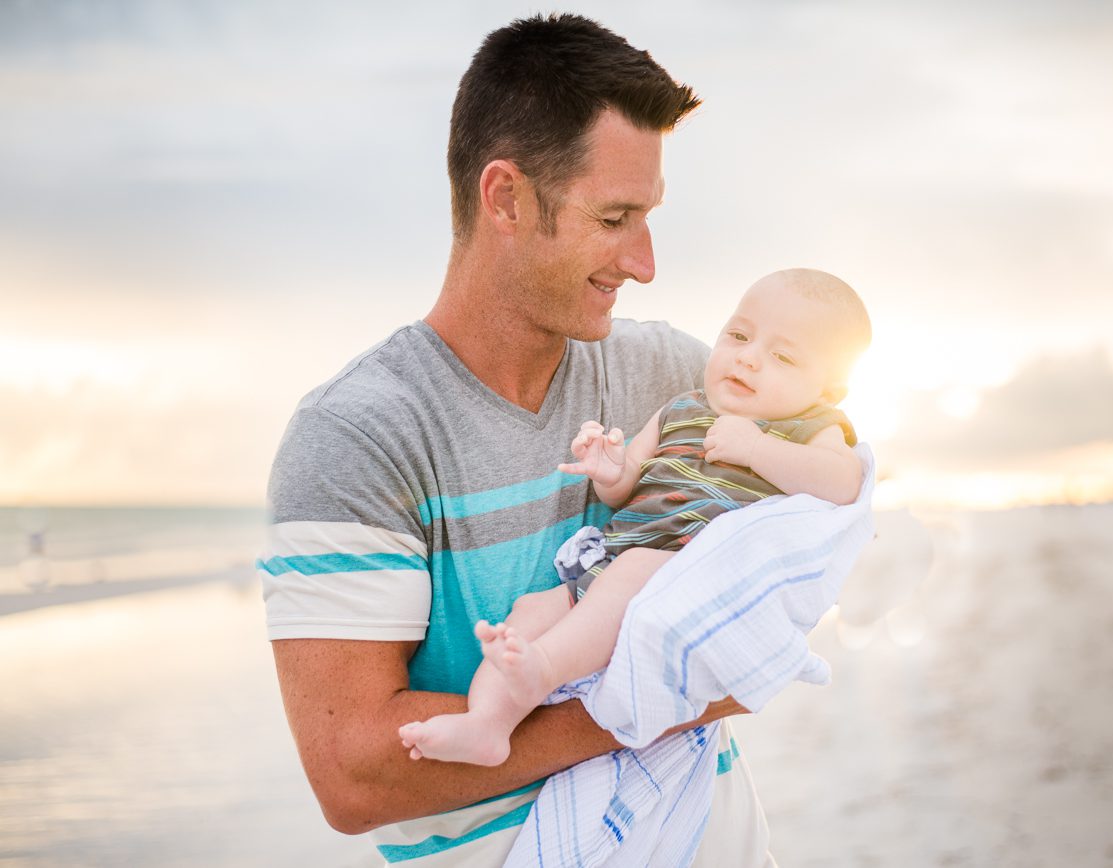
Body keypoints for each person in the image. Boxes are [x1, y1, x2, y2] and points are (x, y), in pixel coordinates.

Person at [260, 13, 774, 866]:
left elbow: (810, 536)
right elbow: (355, 776)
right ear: (506, 197)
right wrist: (681, 693)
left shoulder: (675, 381)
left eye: (648, 217)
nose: (644, 262)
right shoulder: (356, 438)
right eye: (614, 218)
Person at [397, 268, 871, 767]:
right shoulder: (682, 409)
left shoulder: (809, 425)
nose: (748, 357)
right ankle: (487, 724)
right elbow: (629, 483)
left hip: (685, 567)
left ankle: (543, 669)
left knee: (625, 578)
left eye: (782, 356)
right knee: (530, 612)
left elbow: (844, 482)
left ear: (831, 387)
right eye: (738, 335)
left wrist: (758, 448)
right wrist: (608, 468)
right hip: (620, 553)